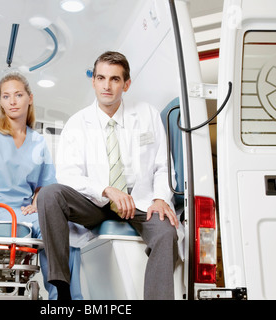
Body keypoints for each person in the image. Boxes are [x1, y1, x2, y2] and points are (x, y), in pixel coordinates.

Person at [37, 51, 179, 300]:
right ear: (93, 81)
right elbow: (68, 175)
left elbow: (163, 166)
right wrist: (105, 189)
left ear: (126, 84)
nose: (106, 85)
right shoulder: (77, 123)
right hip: (96, 204)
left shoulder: (147, 114)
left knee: (166, 233)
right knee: (49, 194)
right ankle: (61, 288)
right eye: (101, 78)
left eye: (114, 79)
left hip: (140, 203)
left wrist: (160, 198)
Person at [0, 72, 83, 299]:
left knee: (68, 229)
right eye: (6, 96)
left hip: (25, 210)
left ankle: (70, 298)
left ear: (30, 98)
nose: (12, 101)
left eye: (18, 95)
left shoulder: (38, 141)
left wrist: (37, 204)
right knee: (51, 225)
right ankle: (62, 299)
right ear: (1, 102)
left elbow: (44, 186)